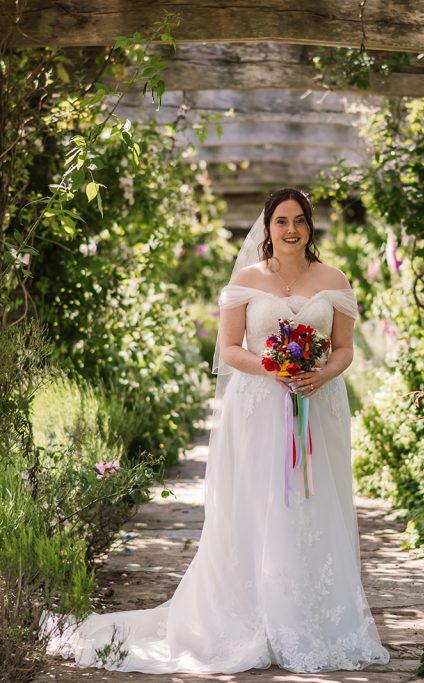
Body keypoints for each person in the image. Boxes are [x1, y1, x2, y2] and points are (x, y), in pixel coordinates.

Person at [41, 188, 390, 674]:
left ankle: (310, 617)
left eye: (300, 221)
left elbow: (345, 350)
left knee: (312, 504)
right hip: (258, 408)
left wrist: (319, 374)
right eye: (282, 221)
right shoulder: (247, 280)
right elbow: (229, 348)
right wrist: (272, 369)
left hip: (317, 405)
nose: (292, 230)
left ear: (310, 227)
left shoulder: (334, 279)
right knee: (256, 505)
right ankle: (253, 613)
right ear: (266, 229)